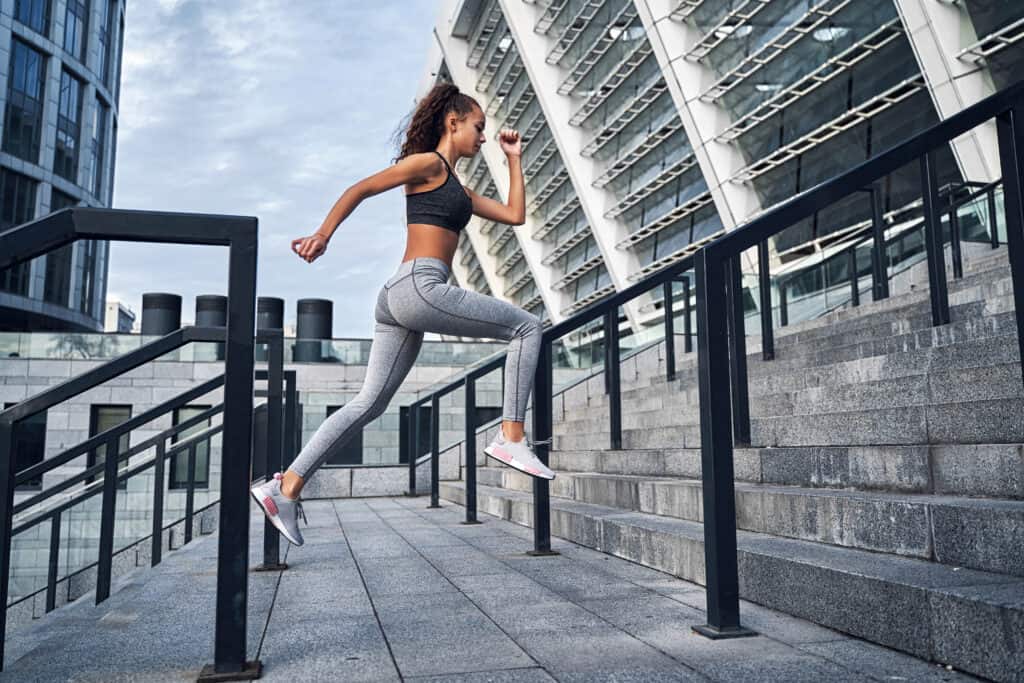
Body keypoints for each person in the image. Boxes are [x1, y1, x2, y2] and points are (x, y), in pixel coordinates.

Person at [250, 83, 555, 547]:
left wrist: (514, 157)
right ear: (453, 122)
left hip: (399, 297)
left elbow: (515, 215)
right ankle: (511, 435)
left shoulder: (459, 187)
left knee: (368, 403)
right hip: (420, 285)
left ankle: (285, 486)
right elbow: (363, 187)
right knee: (527, 326)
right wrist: (323, 235)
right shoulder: (428, 164)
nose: (484, 137)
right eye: (479, 128)